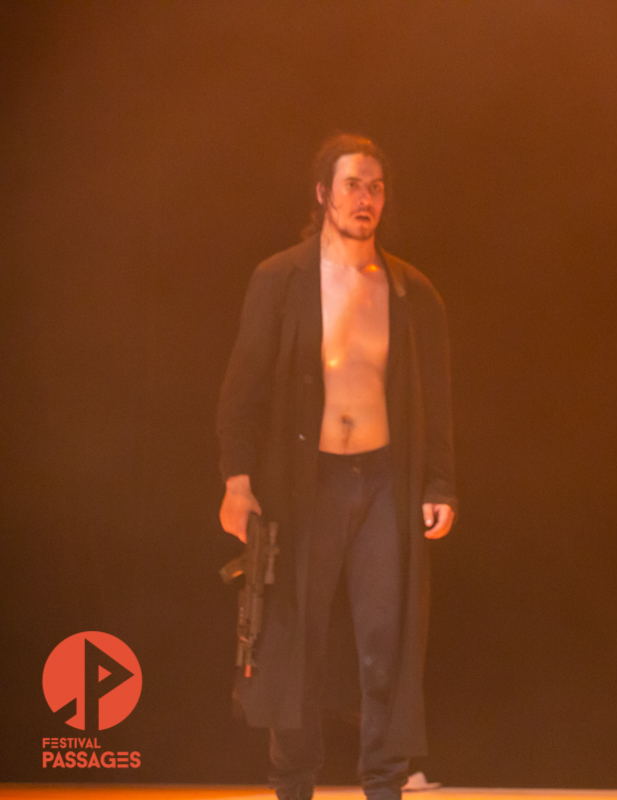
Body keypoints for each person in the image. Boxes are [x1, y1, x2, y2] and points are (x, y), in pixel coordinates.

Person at [217, 133, 457, 800]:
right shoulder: (280, 280)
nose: (366, 198)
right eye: (353, 184)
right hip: (306, 483)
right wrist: (237, 480)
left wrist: (439, 483)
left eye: (376, 186)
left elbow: (435, 403)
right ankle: (293, 785)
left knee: (387, 640)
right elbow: (244, 388)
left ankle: (385, 783)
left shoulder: (412, 292)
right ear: (322, 192)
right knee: (297, 639)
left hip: (383, 482)